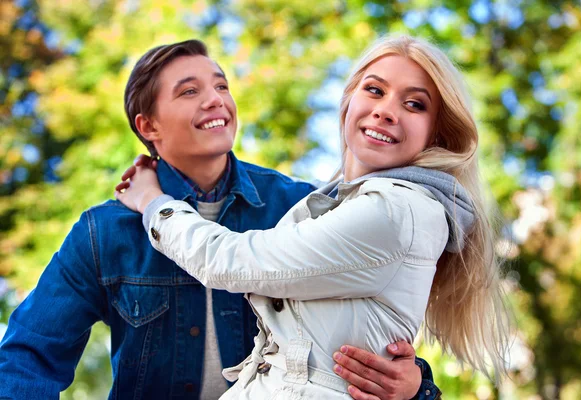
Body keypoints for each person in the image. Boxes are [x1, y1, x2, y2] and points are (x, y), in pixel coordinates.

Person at [0, 39, 438, 400]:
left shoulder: (298, 207)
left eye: (222, 86)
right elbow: (29, 355)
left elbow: (360, 324)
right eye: (189, 92)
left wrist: (415, 383)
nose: (216, 100)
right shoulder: (104, 234)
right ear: (148, 125)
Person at [116, 35, 510, 399]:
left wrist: (154, 201)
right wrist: (417, 385)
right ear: (349, 100)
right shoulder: (322, 207)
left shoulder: (389, 210)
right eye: (374, 90)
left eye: (414, 104)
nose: (386, 111)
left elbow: (231, 261)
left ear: (435, 136)